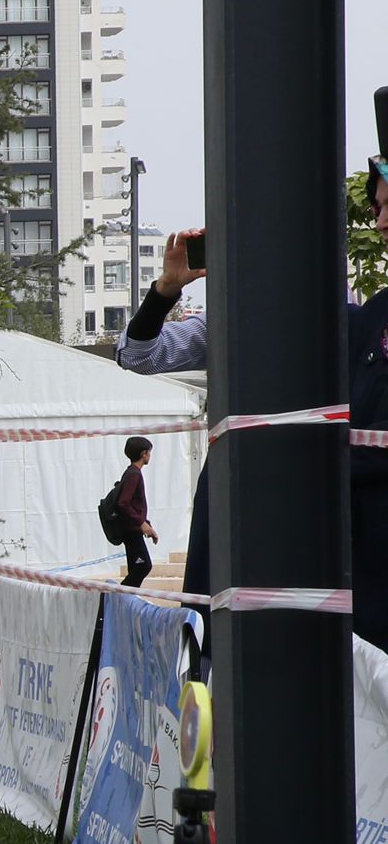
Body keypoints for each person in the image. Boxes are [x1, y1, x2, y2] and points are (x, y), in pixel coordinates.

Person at [119, 163, 388, 648]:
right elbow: (138, 356)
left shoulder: (351, 317)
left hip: (318, 503)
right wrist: (166, 290)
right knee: (221, 641)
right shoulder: (227, 322)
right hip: (237, 497)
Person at [114, 437, 157, 589]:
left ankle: (125, 597)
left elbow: (134, 505)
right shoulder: (134, 474)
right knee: (143, 566)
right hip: (132, 531)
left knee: (136, 568)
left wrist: (147, 525)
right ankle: (118, 596)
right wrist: (141, 523)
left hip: (133, 529)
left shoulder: (131, 472)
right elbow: (123, 503)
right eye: (149, 452)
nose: (150, 455)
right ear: (143, 454)